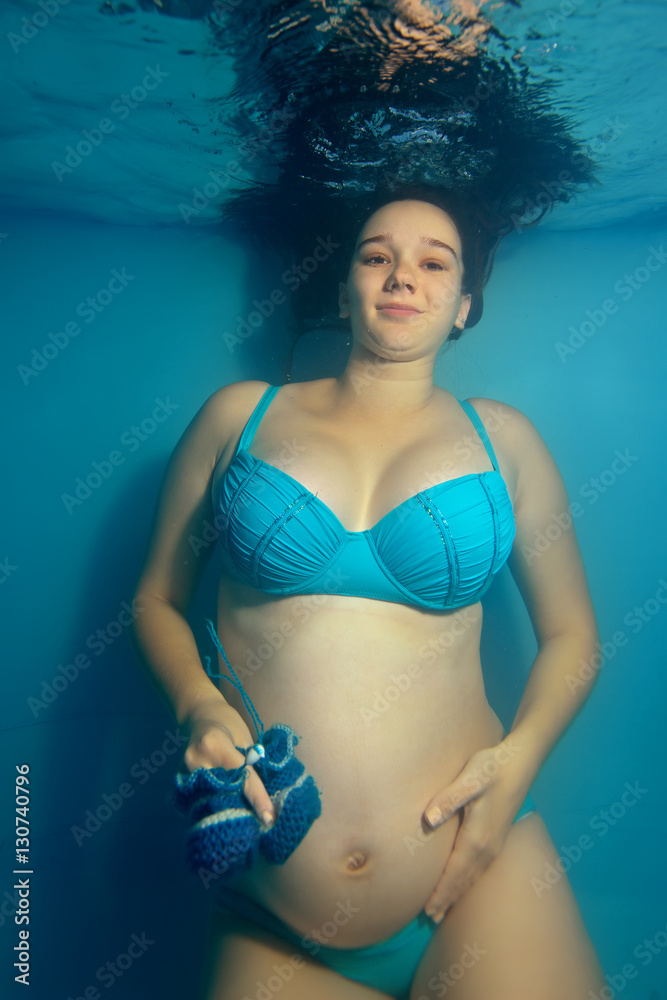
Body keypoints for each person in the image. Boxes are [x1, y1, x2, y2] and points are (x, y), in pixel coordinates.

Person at [130, 188, 606, 999]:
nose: (401, 277)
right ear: (344, 284)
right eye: (376, 256)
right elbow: (154, 602)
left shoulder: (507, 443)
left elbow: (573, 638)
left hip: (482, 879)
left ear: (463, 307)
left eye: (433, 262)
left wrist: (517, 764)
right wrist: (199, 708)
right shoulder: (237, 419)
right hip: (276, 922)